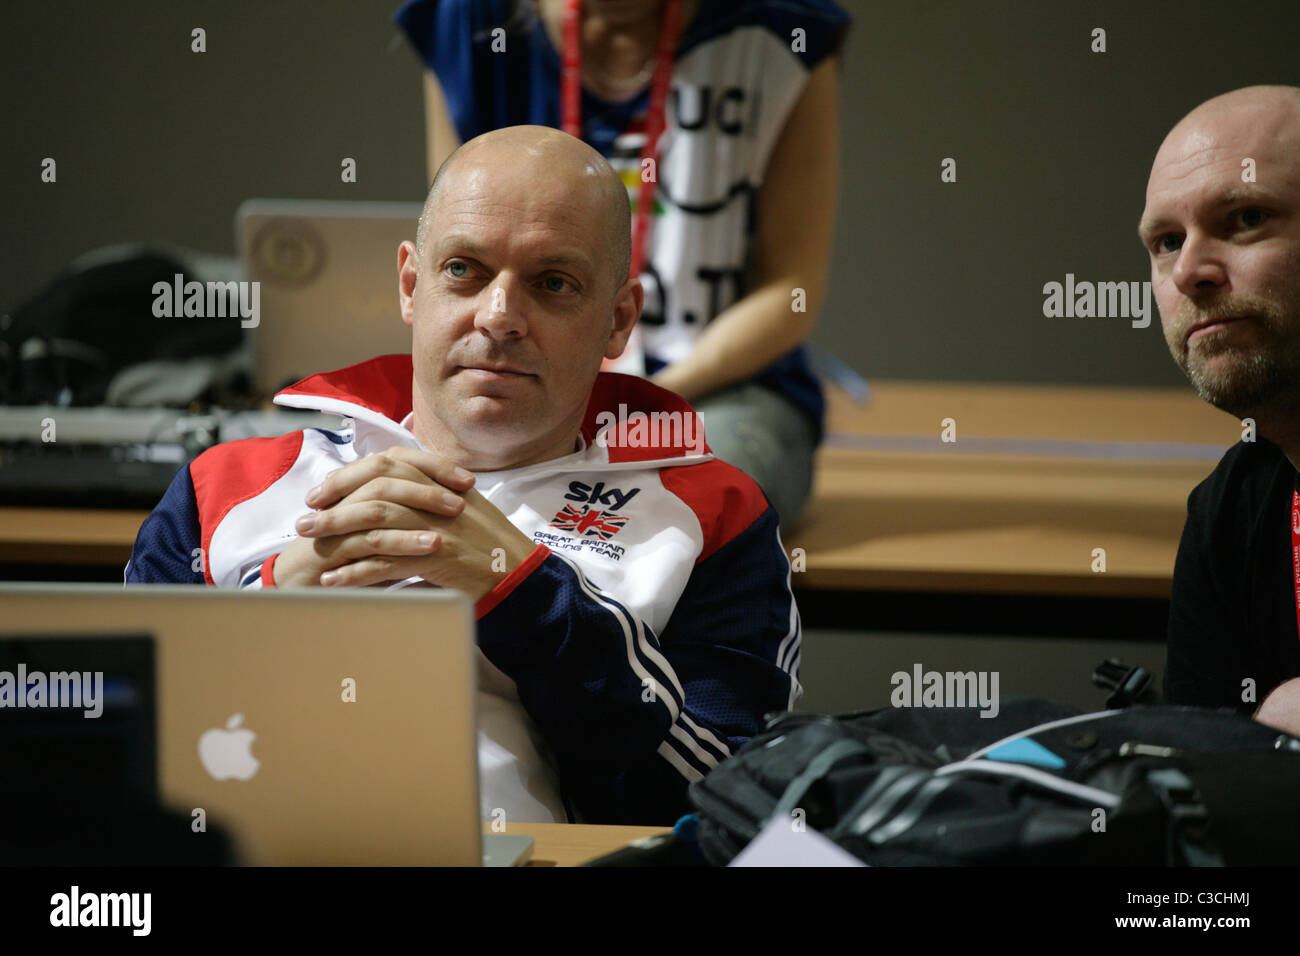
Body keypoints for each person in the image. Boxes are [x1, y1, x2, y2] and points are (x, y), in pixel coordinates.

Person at [124, 126, 802, 826]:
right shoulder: (224, 486)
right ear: (412, 285)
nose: (500, 315)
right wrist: (279, 606)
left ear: (618, 322)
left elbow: (720, 801)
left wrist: (521, 592)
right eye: (464, 270)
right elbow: (120, 758)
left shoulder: (710, 514)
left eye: (553, 283)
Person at [392, 0, 849, 529]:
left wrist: (626, 408)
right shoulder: (469, 19)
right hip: (526, 378)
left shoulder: (786, 30)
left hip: (715, 393)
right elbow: (457, 238)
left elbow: (792, 289)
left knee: (663, 498)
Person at [1140, 86, 1300, 731]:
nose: (1190, 271)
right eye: (1168, 240)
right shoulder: (1229, 509)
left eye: (1246, 219)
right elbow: (1200, 794)